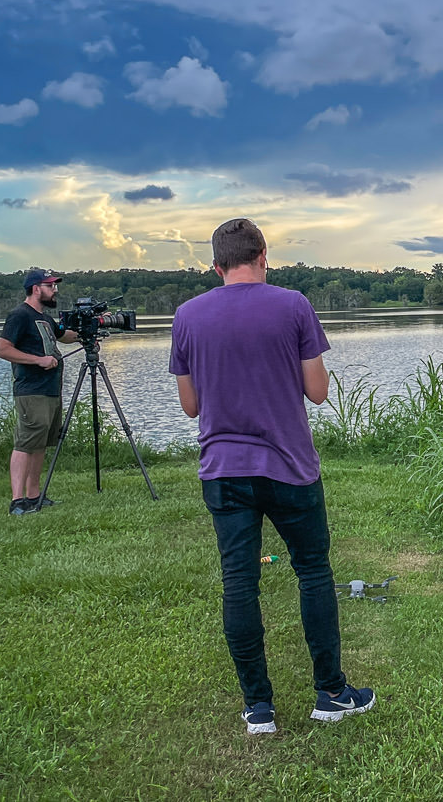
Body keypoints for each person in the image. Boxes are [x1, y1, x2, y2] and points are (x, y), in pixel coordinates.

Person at [169, 218, 375, 735]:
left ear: (216, 265)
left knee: (240, 582)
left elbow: (190, 407)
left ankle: (258, 707)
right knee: (312, 572)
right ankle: (331, 694)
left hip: (223, 471)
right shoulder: (293, 305)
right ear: (263, 255)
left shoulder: (187, 316)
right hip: (289, 467)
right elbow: (319, 392)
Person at [0, 268, 79, 515]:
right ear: (36, 289)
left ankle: (34, 496)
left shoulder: (44, 318)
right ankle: (17, 501)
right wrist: (37, 360)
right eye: (50, 286)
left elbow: (64, 336)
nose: (55, 291)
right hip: (31, 390)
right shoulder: (19, 315)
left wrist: (88, 333)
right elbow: (2, 349)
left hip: (50, 390)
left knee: (40, 443)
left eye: (54, 286)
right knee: (25, 443)